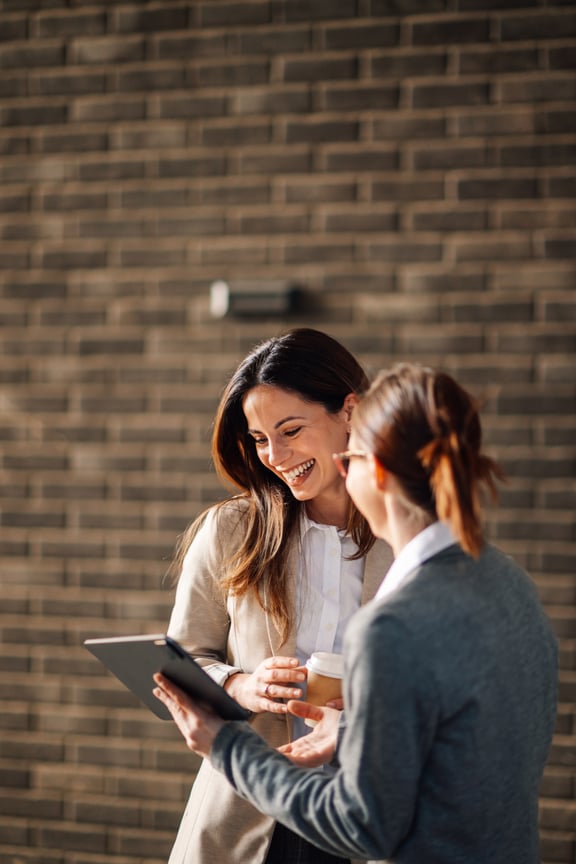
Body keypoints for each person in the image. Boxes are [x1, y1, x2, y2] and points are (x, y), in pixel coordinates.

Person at [155, 362, 558, 864]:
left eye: (353, 458)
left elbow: (362, 825)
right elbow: (466, 741)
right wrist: (351, 732)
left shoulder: (391, 624)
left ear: (379, 470)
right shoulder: (512, 584)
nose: (343, 470)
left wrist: (225, 746)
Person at [165, 328, 393, 864]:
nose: (275, 455)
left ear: (350, 411)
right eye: (260, 439)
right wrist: (241, 685)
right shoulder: (230, 531)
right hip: (247, 814)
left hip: (366, 814)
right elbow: (178, 665)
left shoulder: (407, 535)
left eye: (290, 430)